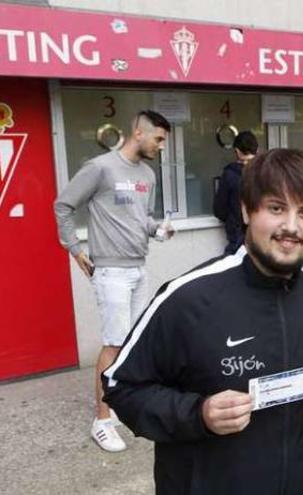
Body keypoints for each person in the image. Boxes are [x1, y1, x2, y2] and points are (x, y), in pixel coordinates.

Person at [103, 149, 303, 494]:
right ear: (246, 210)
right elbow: (122, 388)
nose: (291, 227)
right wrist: (200, 413)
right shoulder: (188, 297)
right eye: (276, 208)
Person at [54, 110, 172, 453]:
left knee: (133, 342)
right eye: (159, 139)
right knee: (114, 345)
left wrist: (158, 229)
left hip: (138, 268)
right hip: (111, 272)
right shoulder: (100, 167)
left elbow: (141, 218)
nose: (162, 147)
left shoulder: (147, 174)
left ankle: (120, 404)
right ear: (139, 133)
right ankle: (102, 421)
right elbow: (62, 205)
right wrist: (75, 250)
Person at [213, 130, 258, 255]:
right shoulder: (265, 171)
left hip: (237, 233)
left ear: (237, 151)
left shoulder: (229, 174)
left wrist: (232, 218)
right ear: (257, 149)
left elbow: (219, 210)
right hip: (262, 230)